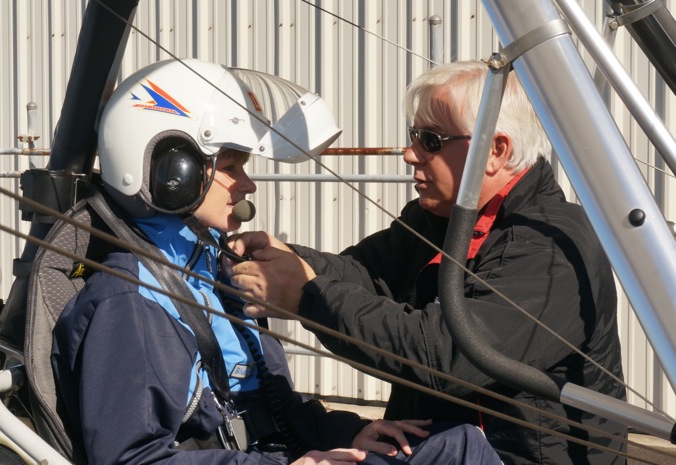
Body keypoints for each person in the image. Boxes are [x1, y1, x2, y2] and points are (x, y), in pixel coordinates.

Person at [50, 58, 502, 465]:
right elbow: (133, 458)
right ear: (173, 172)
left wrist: (351, 432)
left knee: (460, 445)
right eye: (232, 166)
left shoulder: (210, 269)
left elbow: (272, 408)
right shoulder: (127, 300)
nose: (248, 186)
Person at [224, 60, 628, 465]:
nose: (408, 154)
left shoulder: (551, 248)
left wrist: (306, 296)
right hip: (445, 449)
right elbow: (364, 272)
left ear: (495, 150)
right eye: (413, 135)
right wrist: (284, 257)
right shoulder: (440, 216)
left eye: (431, 140)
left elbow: (447, 356)